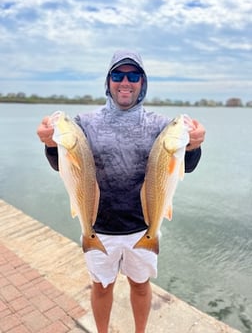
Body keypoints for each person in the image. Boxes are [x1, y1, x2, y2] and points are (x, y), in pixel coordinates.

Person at [37, 50, 205, 333]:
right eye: (117, 75)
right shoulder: (83, 122)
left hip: (143, 227)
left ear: (143, 82)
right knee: (101, 287)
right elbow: (65, 166)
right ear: (108, 81)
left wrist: (194, 146)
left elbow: (182, 167)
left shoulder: (160, 124)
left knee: (141, 286)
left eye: (133, 75)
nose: (125, 82)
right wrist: (51, 145)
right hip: (98, 226)